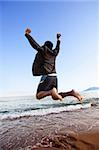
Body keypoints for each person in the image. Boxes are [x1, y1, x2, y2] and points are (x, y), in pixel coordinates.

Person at [25, 28, 83, 102]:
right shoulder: (54, 53)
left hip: (47, 75)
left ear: (45, 45)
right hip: (54, 76)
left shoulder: (43, 50)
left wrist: (27, 35)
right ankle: (71, 93)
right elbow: (58, 48)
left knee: (38, 95)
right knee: (55, 96)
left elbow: (35, 45)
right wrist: (58, 39)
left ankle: (50, 91)